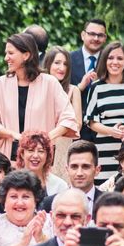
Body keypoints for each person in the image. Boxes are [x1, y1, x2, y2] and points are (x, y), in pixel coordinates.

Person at [0, 33, 78, 162]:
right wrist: (14, 135)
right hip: (9, 158)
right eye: (6, 53)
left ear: (26, 55)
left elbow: (68, 118)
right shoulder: (0, 84)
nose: (6, 58)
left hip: (41, 157)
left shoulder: (50, 83)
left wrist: (45, 138)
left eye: (11, 53)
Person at [85, 41, 124, 185]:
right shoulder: (96, 87)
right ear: (104, 60)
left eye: (120, 58)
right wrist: (111, 131)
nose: (115, 62)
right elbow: (90, 121)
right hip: (104, 148)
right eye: (111, 58)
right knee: (104, 189)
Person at [42, 46, 83, 181]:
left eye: (65, 64)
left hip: (63, 145)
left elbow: (77, 123)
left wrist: (59, 130)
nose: (62, 68)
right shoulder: (38, 88)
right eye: (57, 63)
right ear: (48, 64)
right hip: (41, 144)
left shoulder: (73, 90)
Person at [40, 140, 103, 216]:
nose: (79, 173)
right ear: (67, 169)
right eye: (74, 167)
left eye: (85, 167)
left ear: (97, 170)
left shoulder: (109, 203)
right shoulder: (49, 203)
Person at [70, 18, 108, 141]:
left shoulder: (111, 61)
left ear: (105, 38)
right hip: (75, 129)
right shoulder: (68, 60)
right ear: (83, 35)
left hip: (103, 129)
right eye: (92, 34)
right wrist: (79, 87)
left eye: (100, 35)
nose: (96, 38)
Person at [15, 130, 68, 196]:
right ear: (22, 154)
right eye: (31, 150)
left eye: (41, 151)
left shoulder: (59, 186)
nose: (35, 156)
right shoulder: (12, 182)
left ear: (47, 156)